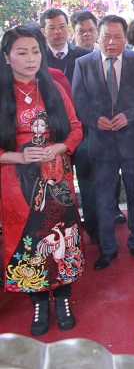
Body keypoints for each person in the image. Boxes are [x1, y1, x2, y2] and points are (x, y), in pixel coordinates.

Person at [0, 26, 85, 336]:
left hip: (56, 178)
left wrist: (58, 147)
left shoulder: (54, 88)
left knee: (60, 236)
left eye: (35, 51)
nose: (31, 58)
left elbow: (76, 129)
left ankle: (62, 298)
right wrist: (18, 157)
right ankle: (38, 301)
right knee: (28, 240)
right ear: (6, 57)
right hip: (15, 182)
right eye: (22, 52)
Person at [72, 15, 134, 270]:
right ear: (98, 37)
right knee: (102, 199)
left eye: (117, 37)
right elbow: (78, 101)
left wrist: (129, 116)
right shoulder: (83, 64)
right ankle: (107, 248)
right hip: (100, 143)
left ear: (125, 38)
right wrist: (94, 120)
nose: (111, 42)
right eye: (106, 37)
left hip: (131, 141)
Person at [40, 8, 92, 84]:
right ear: (43, 32)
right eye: (52, 28)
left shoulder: (85, 55)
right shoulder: (39, 58)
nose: (58, 32)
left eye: (62, 27)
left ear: (68, 28)